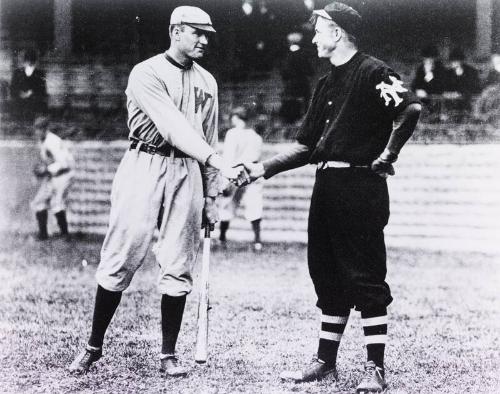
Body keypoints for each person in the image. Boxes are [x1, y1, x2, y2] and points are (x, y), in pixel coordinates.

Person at [243, 2, 421, 392]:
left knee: (366, 276)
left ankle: (375, 368)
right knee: (326, 272)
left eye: (319, 29)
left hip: (360, 187)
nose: (314, 36)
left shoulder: (373, 71)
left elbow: (410, 109)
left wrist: (388, 154)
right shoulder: (325, 83)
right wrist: (260, 169)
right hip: (326, 188)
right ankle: (325, 360)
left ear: (337, 32)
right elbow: (307, 147)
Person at [68, 6, 244, 377]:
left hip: (189, 169)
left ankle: (168, 354)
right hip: (144, 163)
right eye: (196, 32)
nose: (204, 40)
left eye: (208, 34)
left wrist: (211, 197)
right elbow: (172, 127)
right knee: (121, 253)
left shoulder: (208, 81)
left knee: (179, 261)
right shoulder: (146, 72)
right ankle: (93, 347)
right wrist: (218, 161)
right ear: (175, 31)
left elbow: (207, 135)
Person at [219, 106, 264, 251]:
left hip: (236, 173)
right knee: (254, 205)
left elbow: (228, 157)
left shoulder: (232, 134)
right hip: (251, 174)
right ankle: (257, 241)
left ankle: (222, 239)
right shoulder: (256, 136)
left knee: (228, 205)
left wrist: (226, 179)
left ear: (236, 118)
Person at [31, 116, 74, 240]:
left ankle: (65, 234)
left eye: (40, 128)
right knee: (39, 202)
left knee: (57, 203)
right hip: (54, 175)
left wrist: (46, 169)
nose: (37, 131)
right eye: (36, 128)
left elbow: (65, 164)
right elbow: (48, 161)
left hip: (64, 174)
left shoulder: (53, 141)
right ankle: (43, 234)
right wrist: (42, 169)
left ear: (46, 129)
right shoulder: (43, 141)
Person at [279, 31, 314, 124]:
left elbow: (283, 73)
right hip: (303, 86)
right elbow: (310, 71)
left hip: (290, 87)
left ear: (289, 42)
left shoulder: (286, 56)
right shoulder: (304, 55)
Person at [10, 48, 48, 122]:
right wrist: (20, 93)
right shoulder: (17, 73)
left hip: (34, 101)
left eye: (31, 61)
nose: (29, 63)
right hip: (19, 101)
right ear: (24, 61)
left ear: (35, 62)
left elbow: (43, 90)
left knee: (36, 108)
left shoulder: (40, 73)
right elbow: (12, 88)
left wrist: (31, 92)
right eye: (27, 60)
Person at [443, 47, 481, 116]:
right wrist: (446, 93)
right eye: (452, 61)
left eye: (455, 61)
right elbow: (444, 87)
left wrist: (460, 93)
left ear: (461, 61)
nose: (452, 63)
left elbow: (476, 88)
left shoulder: (471, 71)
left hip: (467, 106)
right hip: (451, 107)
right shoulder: (448, 73)